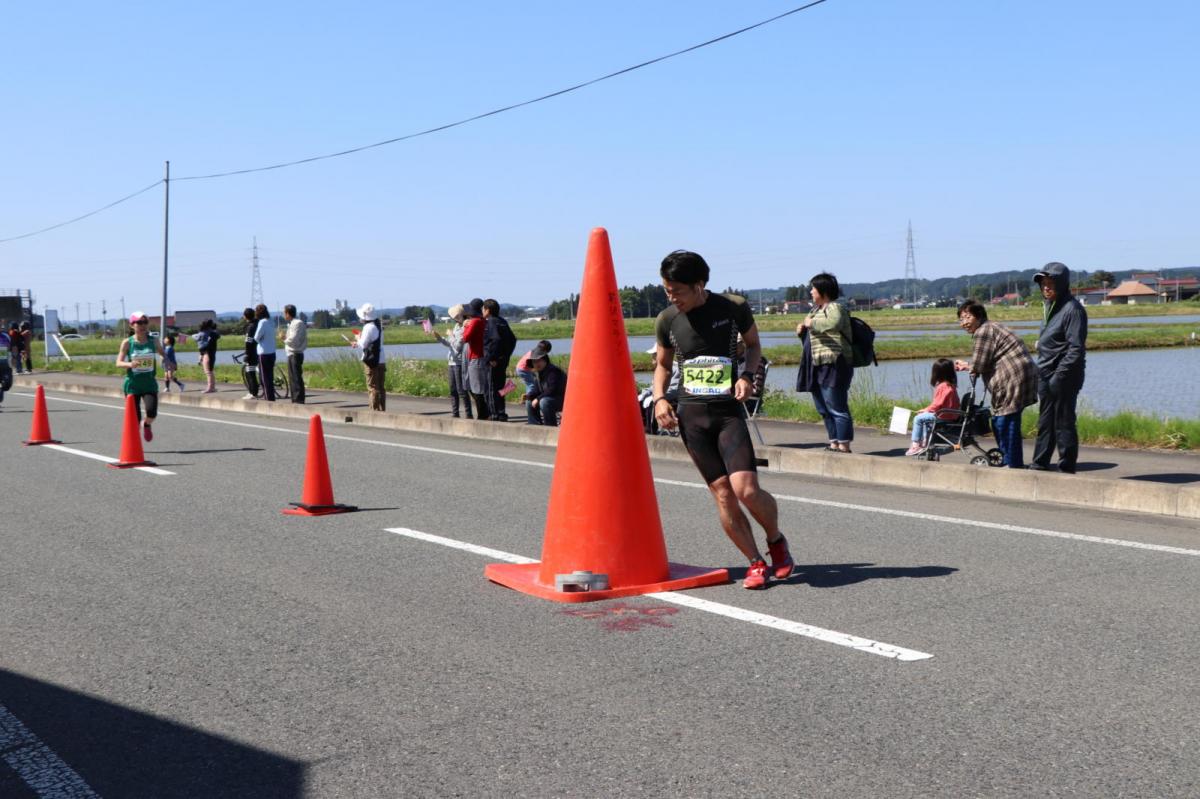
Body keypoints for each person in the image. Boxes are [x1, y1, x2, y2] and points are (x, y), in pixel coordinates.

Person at [653, 250, 792, 590]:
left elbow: (754, 345)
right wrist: (659, 399)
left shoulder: (733, 308)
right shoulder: (667, 319)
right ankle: (755, 562)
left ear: (699, 285)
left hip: (727, 413)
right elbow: (663, 365)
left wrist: (747, 376)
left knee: (746, 489)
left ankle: (776, 540)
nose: (672, 297)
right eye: (667, 290)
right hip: (691, 415)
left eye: (678, 291)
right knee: (723, 495)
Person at [953, 301, 1038, 468]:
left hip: (1011, 378)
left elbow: (980, 365)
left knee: (1006, 421)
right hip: (1020, 376)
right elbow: (982, 363)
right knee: (1002, 420)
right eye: (961, 319)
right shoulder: (991, 327)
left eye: (967, 317)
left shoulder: (983, 331)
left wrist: (969, 366)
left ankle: (1013, 464)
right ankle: (1008, 459)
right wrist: (970, 366)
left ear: (979, 316)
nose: (964, 323)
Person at [1030, 262, 1088, 473]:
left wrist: (1058, 377)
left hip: (1064, 376)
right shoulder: (1050, 307)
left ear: (1062, 284)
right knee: (1045, 422)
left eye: (1050, 283)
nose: (1046, 287)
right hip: (1045, 373)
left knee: (1063, 422)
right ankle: (1039, 464)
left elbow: (1076, 349)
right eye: (1043, 284)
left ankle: (1066, 467)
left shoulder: (1072, 309)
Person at [797, 272, 855, 452]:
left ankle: (844, 445)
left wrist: (810, 324)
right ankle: (834, 442)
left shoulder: (835, 308)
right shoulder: (815, 311)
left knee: (836, 406)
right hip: (817, 364)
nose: (811, 292)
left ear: (823, 290)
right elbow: (813, 339)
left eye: (813, 288)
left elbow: (834, 324)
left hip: (835, 362)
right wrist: (802, 330)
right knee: (823, 407)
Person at [115, 312, 164, 441]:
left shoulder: (153, 340)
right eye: (139, 323)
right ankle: (134, 445)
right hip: (133, 385)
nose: (143, 325)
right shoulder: (127, 343)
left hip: (149, 384)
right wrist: (131, 364)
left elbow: (162, 353)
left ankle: (146, 424)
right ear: (132, 325)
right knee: (135, 419)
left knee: (152, 413)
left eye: (145, 322)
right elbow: (118, 363)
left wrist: (169, 361)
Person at [906, 358, 961, 456]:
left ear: (937, 373)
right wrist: (927, 410)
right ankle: (924, 442)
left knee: (918, 418)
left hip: (943, 416)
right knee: (924, 417)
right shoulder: (951, 385)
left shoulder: (943, 386)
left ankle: (916, 445)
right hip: (951, 416)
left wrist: (925, 410)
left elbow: (937, 404)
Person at [432, 304, 473, 419]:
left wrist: (451, 335)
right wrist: (439, 338)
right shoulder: (456, 326)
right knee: (452, 390)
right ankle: (455, 413)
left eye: (455, 316)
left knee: (461, 390)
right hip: (451, 361)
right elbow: (450, 344)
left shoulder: (465, 327)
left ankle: (468, 414)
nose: (453, 318)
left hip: (459, 363)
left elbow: (458, 346)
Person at [482, 298, 517, 421]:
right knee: (500, 388)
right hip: (502, 361)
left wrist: (492, 358)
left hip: (493, 362)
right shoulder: (502, 321)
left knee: (491, 389)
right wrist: (506, 356)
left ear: (487, 310)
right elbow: (513, 340)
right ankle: (501, 413)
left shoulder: (491, 322)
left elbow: (495, 340)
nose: (482, 311)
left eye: (483, 309)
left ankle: (494, 414)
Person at [353, 302, 386, 411]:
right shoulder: (378, 325)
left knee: (372, 387)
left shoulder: (368, 327)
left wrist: (358, 338)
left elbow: (363, 344)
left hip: (371, 360)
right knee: (381, 387)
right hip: (381, 359)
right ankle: (382, 409)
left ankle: (374, 411)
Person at [524, 344, 566, 427]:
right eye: (534, 362)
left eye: (539, 360)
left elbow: (552, 389)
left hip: (562, 399)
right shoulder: (539, 373)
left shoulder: (553, 371)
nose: (536, 364)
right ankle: (534, 425)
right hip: (550, 398)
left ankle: (550, 426)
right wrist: (530, 396)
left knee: (544, 402)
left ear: (545, 360)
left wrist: (538, 398)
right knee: (529, 402)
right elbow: (537, 390)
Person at [461, 298, 489, 420]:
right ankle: (484, 413)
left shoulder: (475, 321)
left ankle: (483, 415)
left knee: (476, 388)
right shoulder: (483, 320)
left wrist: (465, 326)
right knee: (478, 387)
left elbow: (466, 338)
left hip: (475, 357)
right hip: (480, 356)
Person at [283, 304, 307, 404]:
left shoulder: (297, 323)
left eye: (284, 313)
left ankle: (298, 399)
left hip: (295, 353)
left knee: (296, 377)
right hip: (292, 353)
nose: (284, 315)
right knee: (293, 377)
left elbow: (294, 340)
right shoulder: (292, 323)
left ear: (288, 313)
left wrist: (284, 338)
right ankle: (295, 398)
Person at [253, 304, 277, 401]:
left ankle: (268, 398)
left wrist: (260, 339)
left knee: (264, 378)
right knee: (270, 376)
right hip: (272, 352)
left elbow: (256, 337)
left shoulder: (262, 322)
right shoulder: (271, 321)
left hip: (263, 353)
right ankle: (271, 396)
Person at [239, 307, 260, 399]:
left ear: (245, 316)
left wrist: (247, 353)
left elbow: (248, 342)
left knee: (250, 373)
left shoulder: (250, 326)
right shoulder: (257, 323)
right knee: (253, 372)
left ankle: (253, 393)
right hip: (258, 350)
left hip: (252, 352)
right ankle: (254, 391)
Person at [195, 319, 220, 393]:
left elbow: (199, 342)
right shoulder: (213, 333)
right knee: (210, 371)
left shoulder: (203, 333)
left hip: (207, 354)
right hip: (211, 353)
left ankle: (210, 388)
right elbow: (218, 335)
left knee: (208, 372)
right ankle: (212, 387)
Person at [0, 325, 11, 409]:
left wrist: (14, 357)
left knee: (6, 383)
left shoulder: (5, 336)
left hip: (4, 363)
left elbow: (12, 347)